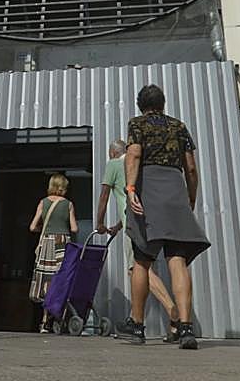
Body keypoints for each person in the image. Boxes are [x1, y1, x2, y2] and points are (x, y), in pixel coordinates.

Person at [122, 84, 210, 349]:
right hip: (175, 190)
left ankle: (137, 325)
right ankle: (185, 327)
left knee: (142, 260)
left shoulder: (137, 124)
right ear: (163, 102)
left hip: (149, 189)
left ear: (141, 105)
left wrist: (130, 188)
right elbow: (191, 168)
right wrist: (191, 197)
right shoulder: (179, 127)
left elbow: (134, 154)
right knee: (177, 259)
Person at [96, 138, 182, 342]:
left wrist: (99, 222)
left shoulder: (114, 164)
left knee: (137, 270)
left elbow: (104, 195)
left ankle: (170, 314)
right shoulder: (138, 166)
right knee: (142, 269)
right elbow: (129, 198)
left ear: (113, 153)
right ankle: (149, 323)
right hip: (152, 223)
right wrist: (117, 226)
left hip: (134, 226)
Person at [28, 172, 79, 333]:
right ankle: (58, 317)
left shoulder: (43, 203)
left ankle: (44, 322)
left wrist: (42, 230)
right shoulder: (68, 204)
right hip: (62, 244)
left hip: (46, 243)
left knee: (46, 280)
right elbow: (74, 228)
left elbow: (32, 226)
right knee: (61, 279)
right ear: (64, 188)